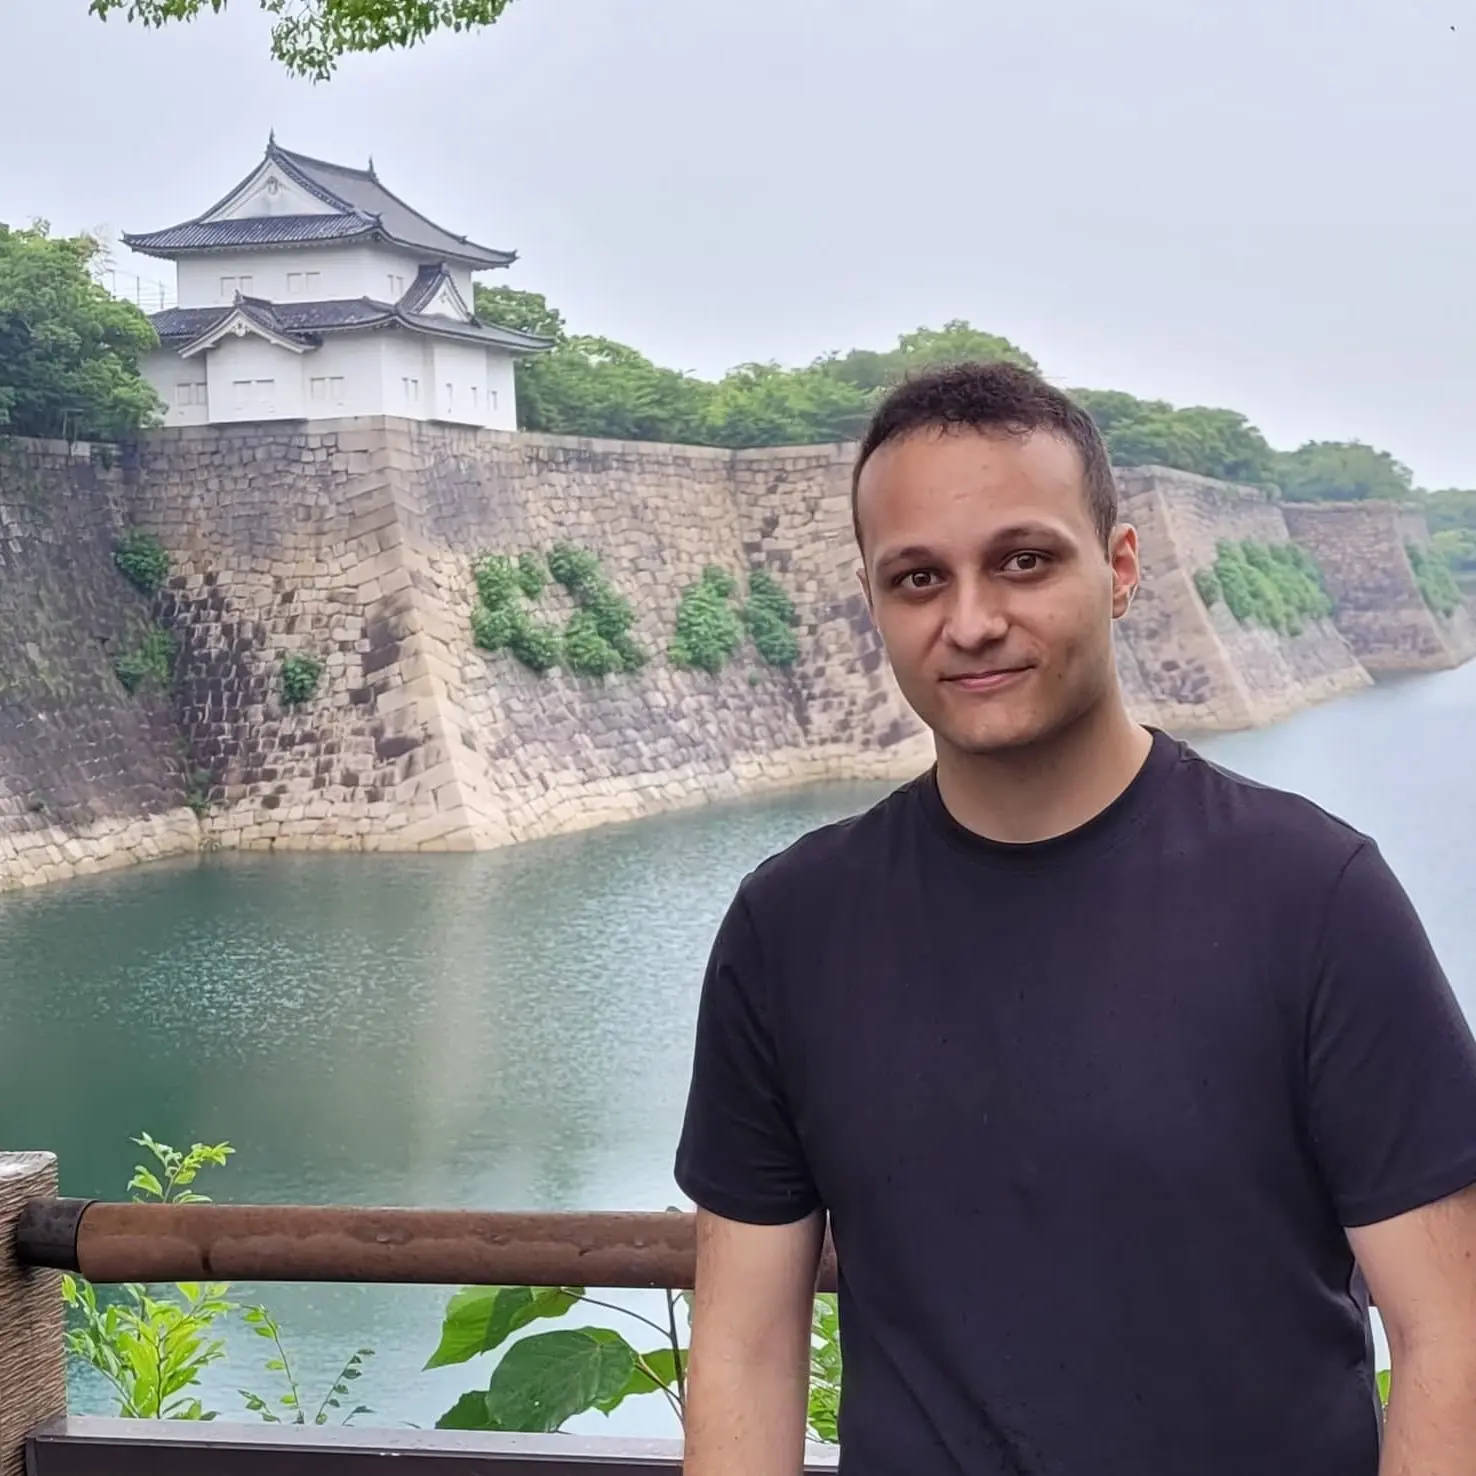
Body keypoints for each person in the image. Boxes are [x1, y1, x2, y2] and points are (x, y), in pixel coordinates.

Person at [672, 360, 1476, 1476]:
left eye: (1024, 561)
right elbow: (745, 1351)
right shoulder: (791, 930)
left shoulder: (1313, 898)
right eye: (918, 578)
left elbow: (1452, 1335)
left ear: (1121, 568)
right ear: (873, 601)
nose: (971, 621)